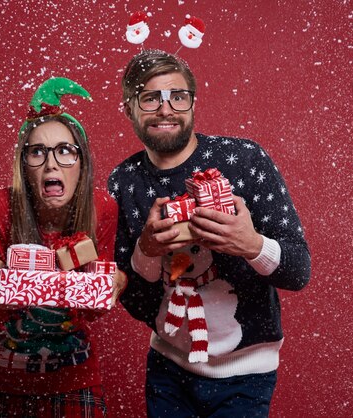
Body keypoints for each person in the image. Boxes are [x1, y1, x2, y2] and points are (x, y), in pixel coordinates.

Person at [107, 50, 311, 417]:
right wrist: (148, 250)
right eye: (150, 97)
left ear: (193, 103)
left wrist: (250, 245)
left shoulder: (246, 160)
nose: (165, 109)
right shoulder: (123, 182)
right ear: (129, 108)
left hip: (247, 372)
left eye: (177, 96)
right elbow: (132, 298)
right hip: (167, 369)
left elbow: (298, 271)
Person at [0, 77, 126, 418]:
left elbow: (93, 310)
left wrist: (114, 285)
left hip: (74, 380)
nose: (52, 163)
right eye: (37, 151)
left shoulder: (102, 210)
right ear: (23, 165)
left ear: (82, 164)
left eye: (65, 150)